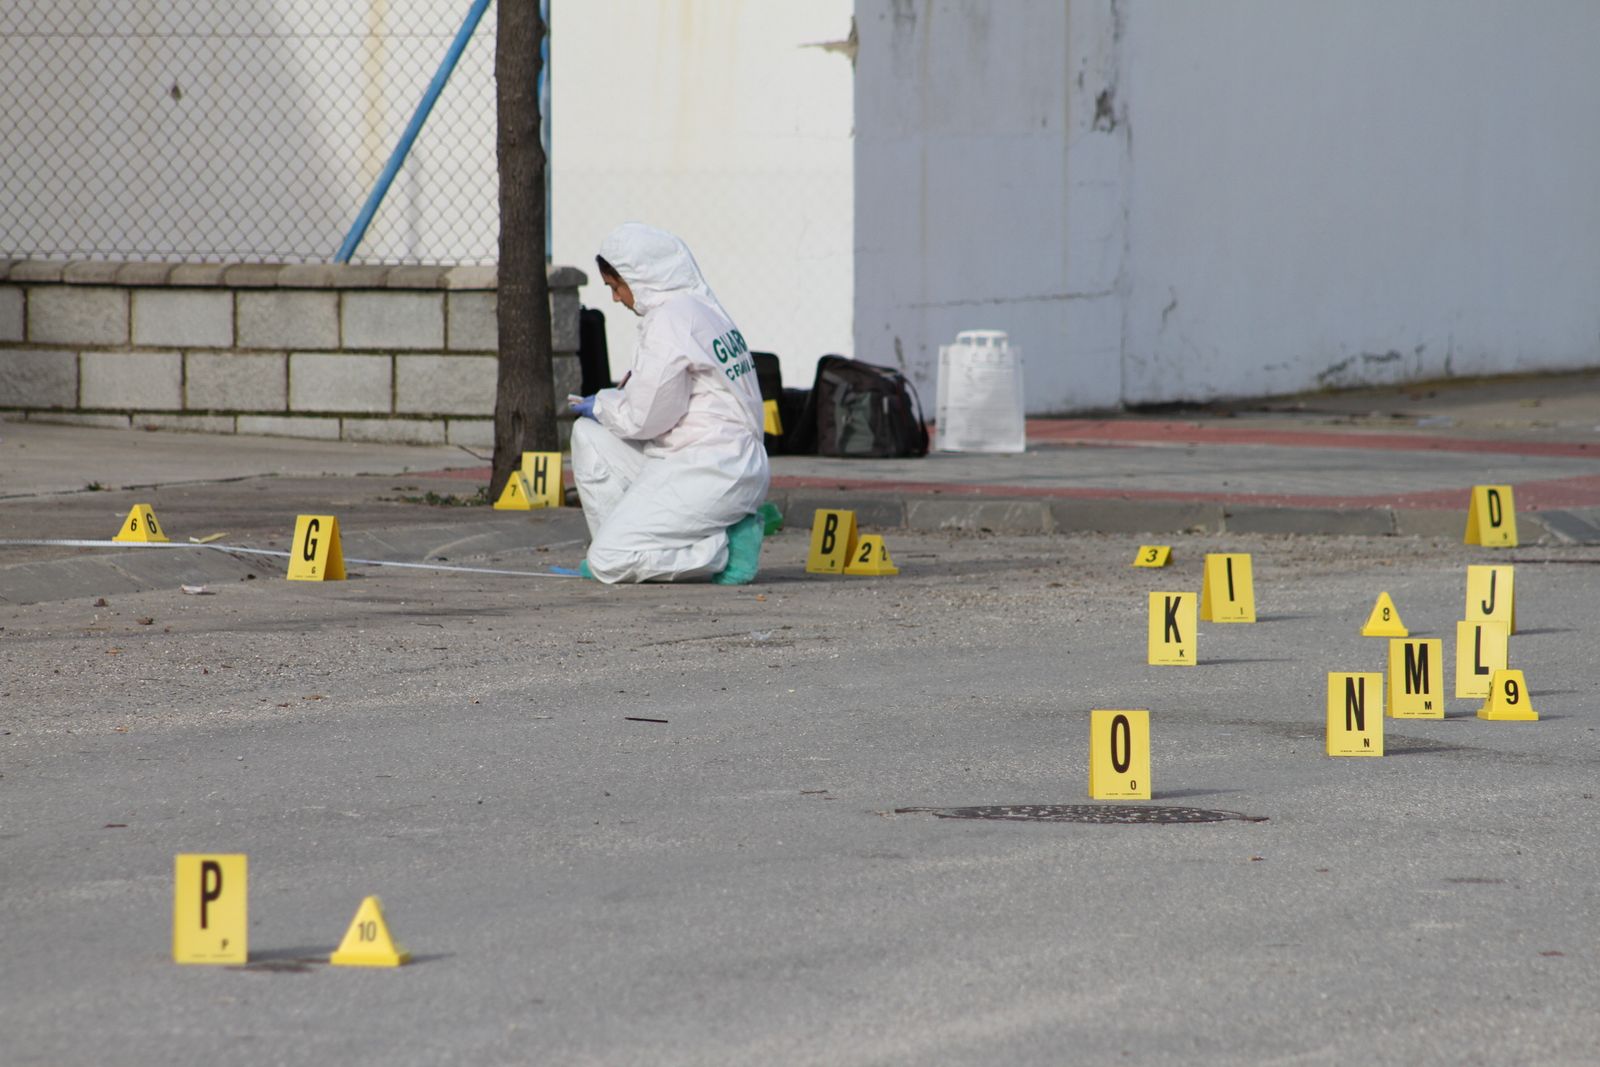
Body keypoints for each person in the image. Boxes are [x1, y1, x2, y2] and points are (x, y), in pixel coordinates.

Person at [565, 223, 769, 584]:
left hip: (714, 465)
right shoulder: (698, 308)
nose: (615, 298)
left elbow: (646, 419)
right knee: (589, 437)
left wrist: (602, 404)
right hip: (706, 455)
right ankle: (626, 550)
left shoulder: (669, 321)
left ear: (638, 276)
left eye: (616, 286)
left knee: (608, 561)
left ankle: (722, 547)